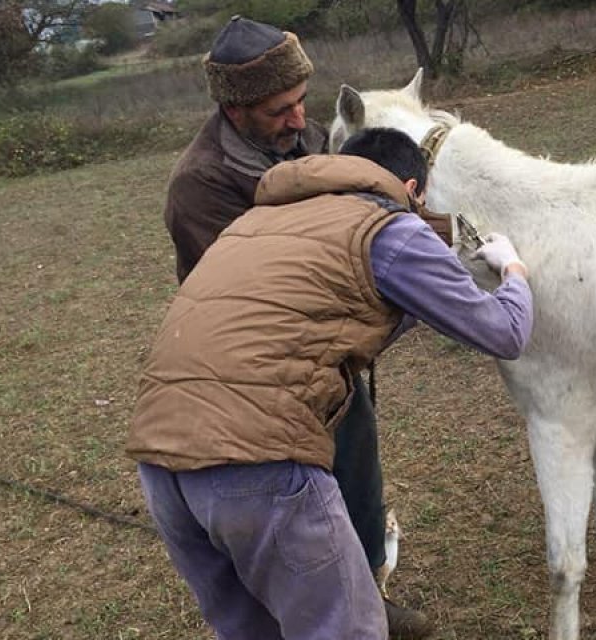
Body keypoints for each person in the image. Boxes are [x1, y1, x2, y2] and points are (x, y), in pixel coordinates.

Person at [128, 127, 534, 638]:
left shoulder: (257, 222)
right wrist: (513, 269)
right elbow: (504, 332)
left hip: (161, 459)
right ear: (412, 189)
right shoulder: (390, 226)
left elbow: (326, 310)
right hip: (257, 458)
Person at [159, 15, 439, 636]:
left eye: (300, 100)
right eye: (277, 110)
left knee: (355, 460)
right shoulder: (200, 185)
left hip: (327, 349)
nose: (297, 119)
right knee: (287, 493)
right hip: (256, 367)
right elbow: (237, 291)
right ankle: (318, 607)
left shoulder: (308, 139)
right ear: (234, 109)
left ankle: (367, 588)